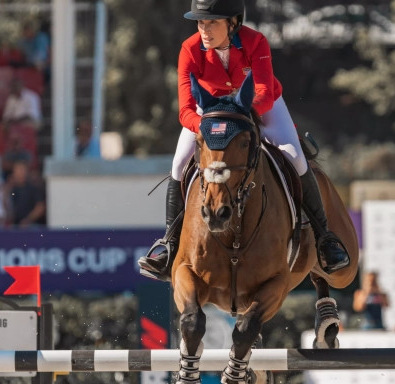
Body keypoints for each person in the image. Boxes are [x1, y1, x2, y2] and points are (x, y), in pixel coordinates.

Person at [138, 0, 350, 281]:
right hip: (211, 111)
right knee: (178, 164)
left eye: (212, 22)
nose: (204, 29)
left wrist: (243, 117)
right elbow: (186, 109)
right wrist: (209, 126)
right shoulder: (189, 49)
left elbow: (262, 88)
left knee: (295, 156)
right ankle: (168, 243)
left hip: (259, 104)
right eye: (201, 23)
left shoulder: (255, 42)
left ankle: (324, 238)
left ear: (233, 23)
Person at [4, 161, 45, 227]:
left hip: (31, 225)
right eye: (17, 170)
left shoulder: (33, 188)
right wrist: (7, 189)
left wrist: (28, 220)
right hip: (14, 225)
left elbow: (40, 207)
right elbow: (4, 206)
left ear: (26, 171)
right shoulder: (11, 189)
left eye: (22, 170)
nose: (20, 172)